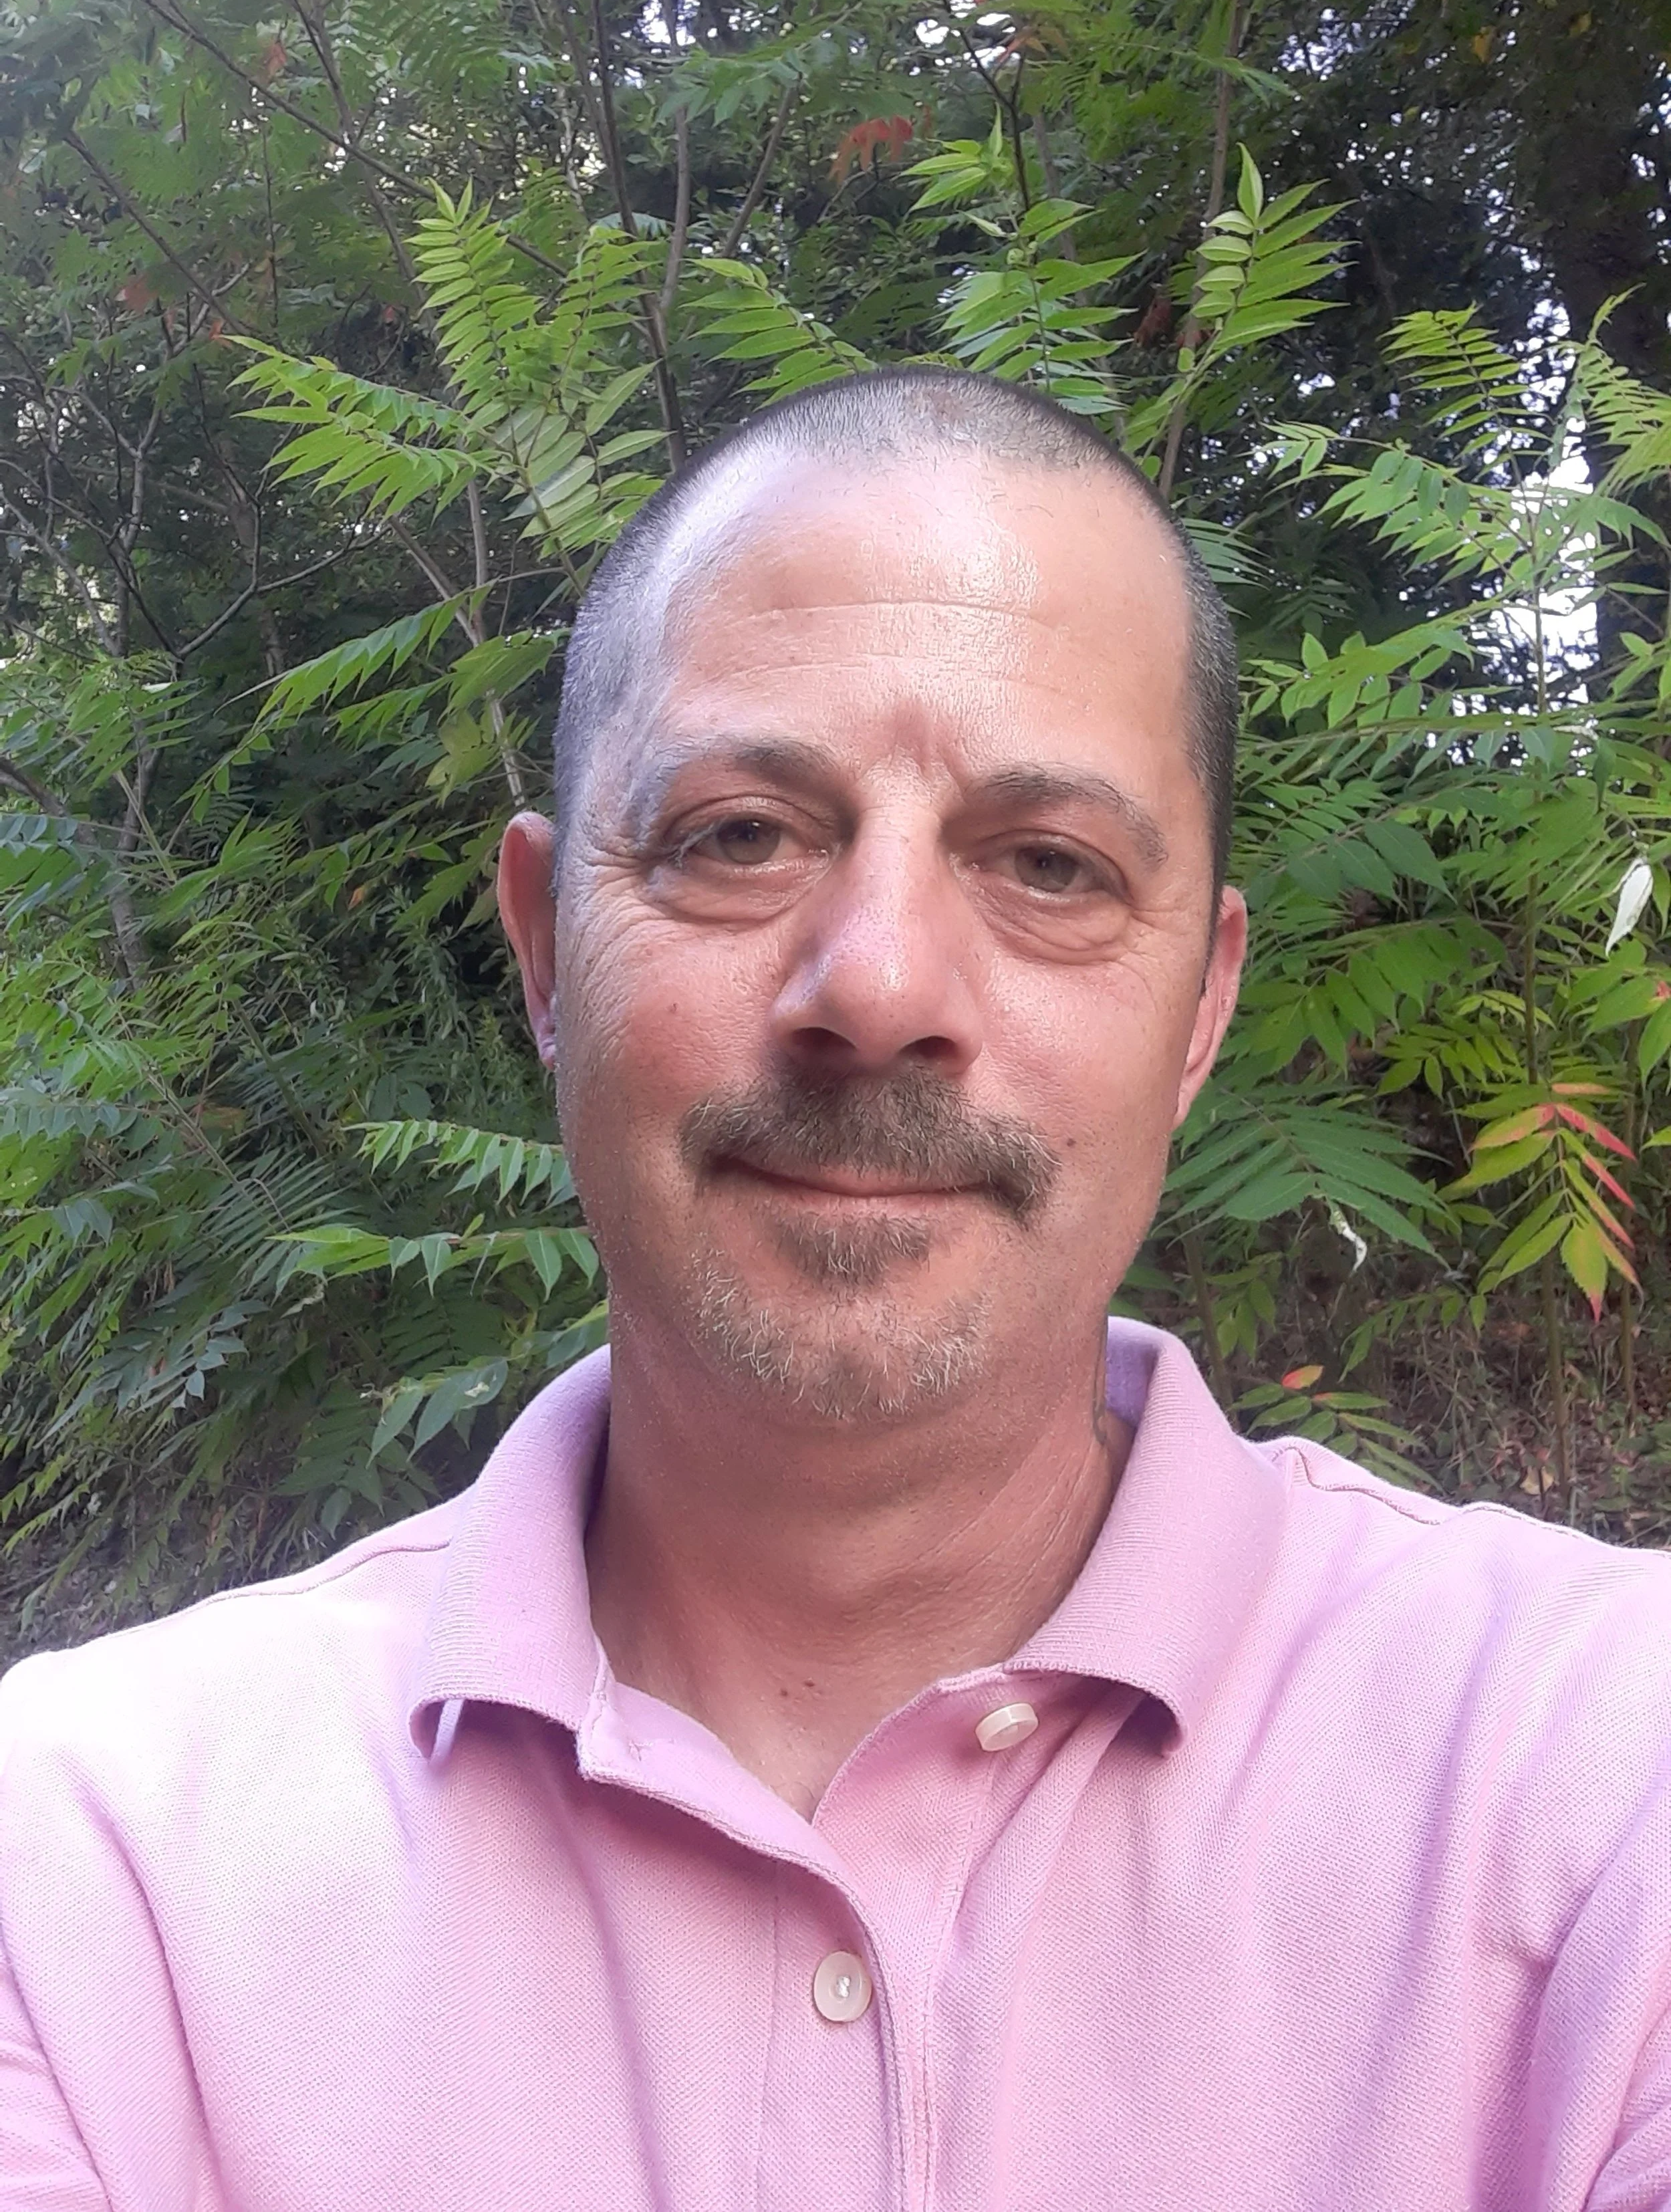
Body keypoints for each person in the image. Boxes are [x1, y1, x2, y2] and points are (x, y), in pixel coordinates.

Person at [3, 368, 1670, 2212]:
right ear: (545, 951)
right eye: (739, 835)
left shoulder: (1609, 1785)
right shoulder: (85, 1892)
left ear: (1201, 1008)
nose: (876, 987)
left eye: (1048, 866)